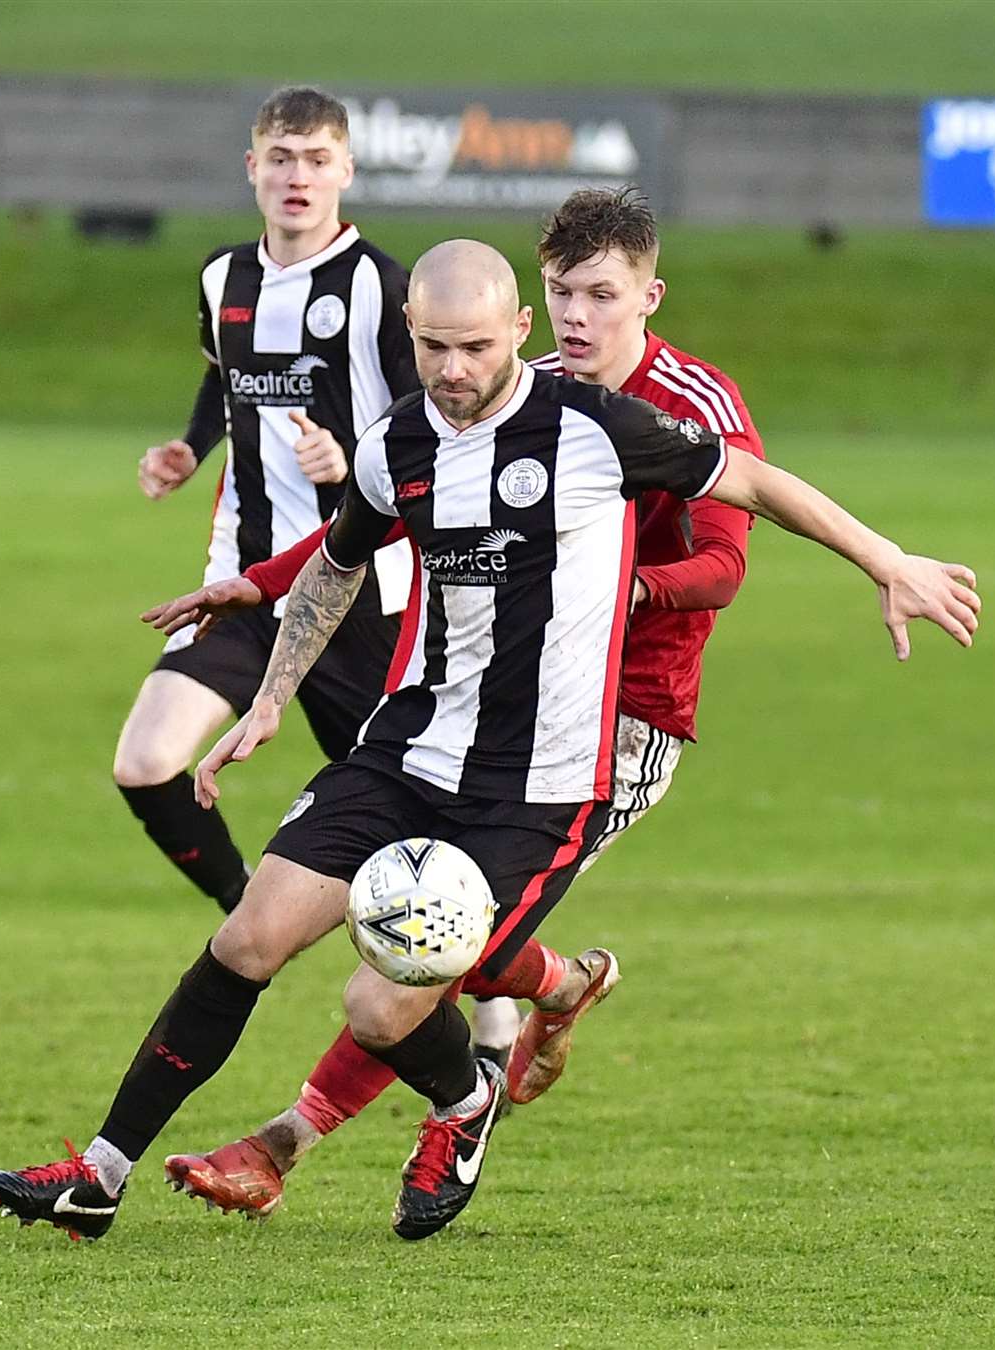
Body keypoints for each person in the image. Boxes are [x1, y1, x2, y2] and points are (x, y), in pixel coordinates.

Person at [0, 240, 979, 1247]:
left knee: (381, 1007)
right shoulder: (396, 443)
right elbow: (337, 566)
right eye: (433, 347)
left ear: (517, 334)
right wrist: (273, 695)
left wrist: (887, 560)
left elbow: (756, 488)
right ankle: (99, 1178)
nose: (453, 370)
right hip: (408, 747)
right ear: (409, 333)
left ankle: (463, 1103)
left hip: (539, 785)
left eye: (473, 347)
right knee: (247, 937)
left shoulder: (599, 429)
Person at [148, 187, 775, 1222]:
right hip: (477, 710)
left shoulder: (687, 406)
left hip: (620, 718)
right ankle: (554, 987)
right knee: (417, 926)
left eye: (600, 297)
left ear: (648, 297)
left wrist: (632, 590)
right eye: (561, 292)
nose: (576, 317)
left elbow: (724, 562)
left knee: (427, 942)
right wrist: (264, 580)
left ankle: (287, 1139)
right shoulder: (510, 389)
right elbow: (388, 510)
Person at [112, 84, 417, 915]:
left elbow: (426, 429)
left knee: (414, 826)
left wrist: (349, 460)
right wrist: (188, 446)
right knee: (144, 760)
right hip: (243, 586)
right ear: (252, 168)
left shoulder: (379, 287)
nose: (298, 176)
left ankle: (493, 1016)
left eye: (317, 159)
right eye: (281, 158)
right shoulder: (223, 276)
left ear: (346, 170)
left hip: (356, 592)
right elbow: (226, 378)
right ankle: (249, 910)